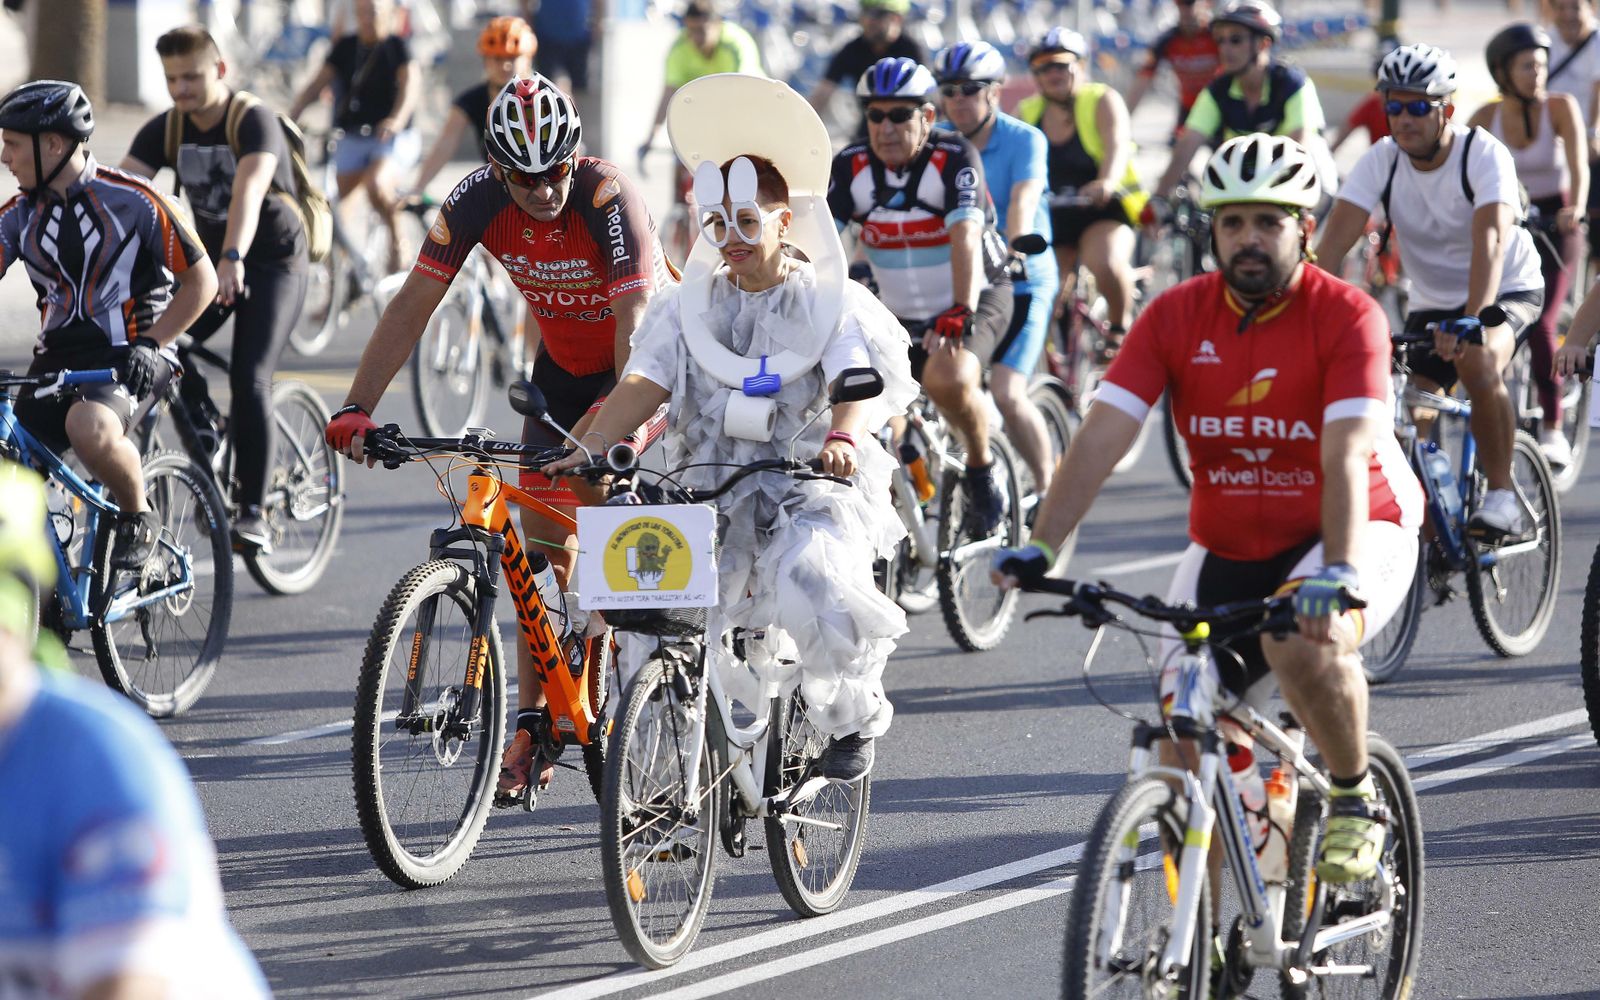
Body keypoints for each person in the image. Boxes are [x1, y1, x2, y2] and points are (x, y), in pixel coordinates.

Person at [995, 134, 1424, 885]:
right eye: (1233, 223)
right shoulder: (1175, 315)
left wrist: (1341, 572)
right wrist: (1041, 548)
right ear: (1213, 230)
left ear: (1304, 228)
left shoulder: (1348, 316)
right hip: (1230, 542)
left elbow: (1346, 455)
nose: (1249, 239)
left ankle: (1356, 796)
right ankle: (1209, 950)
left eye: (1268, 221)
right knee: (1184, 745)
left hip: (1357, 525)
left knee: (1301, 643)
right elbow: (1099, 439)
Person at [545, 75, 918, 779]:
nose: (733, 239)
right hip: (709, 490)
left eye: (749, 221)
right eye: (719, 225)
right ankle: (665, 772)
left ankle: (849, 720)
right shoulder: (685, 307)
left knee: (816, 586)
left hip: (809, 485)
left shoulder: (826, 303)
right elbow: (641, 385)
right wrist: (590, 447)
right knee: (649, 613)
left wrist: (842, 438)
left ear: (784, 221)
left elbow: (853, 381)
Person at [325, 75, 672, 805]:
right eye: (525, 177)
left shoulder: (607, 196)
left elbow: (636, 322)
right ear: (496, 167)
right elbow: (416, 299)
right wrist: (358, 406)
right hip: (560, 370)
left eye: (556, 171)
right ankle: (535, 717)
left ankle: (603, 645)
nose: (545, 190)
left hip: (640, 365)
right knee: (539, 553)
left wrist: (614, 433)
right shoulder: (476, 199)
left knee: (587, 487)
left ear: (573, 157)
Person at [0, 462, 270, 998]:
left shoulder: (101, 762)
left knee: (92, 427)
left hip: (117, 385)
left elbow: (128, 986)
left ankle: (138, 515)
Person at [1316, 44, 1546, 535]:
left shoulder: (1482, 154)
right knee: (1406, 412)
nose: (1404, 119)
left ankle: (1503, 493)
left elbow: (1489, 241)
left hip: (1505, 288)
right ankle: (1421, 516)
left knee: (1478, 360)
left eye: (1419, 106)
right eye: (1393, 106)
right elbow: (1331, 248)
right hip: (1431, 299)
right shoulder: (1382, 160)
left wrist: (1472, 319)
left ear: (1447, 110)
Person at [0, 81, 216, 569]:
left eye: (12, 144)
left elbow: (200, 281)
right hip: (55, 359)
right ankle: (47, 586)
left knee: (88, 424)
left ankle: (138, 513)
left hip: (132, 355)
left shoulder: (136, 200)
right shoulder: (17, 215)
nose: (3, 156)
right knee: (9, 457)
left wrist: (155, 343)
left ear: (53, 144)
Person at [122, 25, 311, 552]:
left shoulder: (251, 119)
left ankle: (253, 511)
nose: (180, 89)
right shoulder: (167, 128)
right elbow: (121, 188)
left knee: (251, 378)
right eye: (171, 79)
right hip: (212, 264)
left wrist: (232, 257)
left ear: (220, 70)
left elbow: (249, 190)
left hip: (273, 260)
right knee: (157, 334)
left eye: (191, 76)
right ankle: (205, 423)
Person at [829, 56, 1012, 536]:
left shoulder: (953, 158)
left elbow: (966, 237)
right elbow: (821, 246)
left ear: (927, 118)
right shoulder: (850, 166)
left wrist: (960, 307)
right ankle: (899, 495)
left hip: (974, 295)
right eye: (876, 115)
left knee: (947, 378)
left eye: (900, 115)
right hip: (895, 313)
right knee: (863, 406)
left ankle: (980, 469)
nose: (886, 127)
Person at [934, 40, 1059, 495]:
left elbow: (1023, 199)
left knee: (1007, 392)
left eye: (971, 88)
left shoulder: (1025, 139)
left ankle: (1049, 493)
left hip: (1022, 279)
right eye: (950, 90)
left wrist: (1013, 246)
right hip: (967, 284)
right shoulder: (938, 143)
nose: (959, 99)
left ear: (996, 92)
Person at [1472, 22, 1588, 467]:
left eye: (1541, 65)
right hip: (1512, 224)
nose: (1536, 74)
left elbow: (1578, 164)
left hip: (1558, 222)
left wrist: (1575, 206)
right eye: (1526, 66)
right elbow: (1459, 163)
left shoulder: (1561, 106)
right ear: (1503, 72)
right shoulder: (1486, 117)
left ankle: (1554, 424)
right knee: (1489, 315)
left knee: (1540, 322)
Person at [1015, 28, 1145, 358]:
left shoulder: (1102, 100)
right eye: (1043, 67)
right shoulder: (1027, 114)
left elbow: (1117, 149)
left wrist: (1106, 181)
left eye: (1061, 65)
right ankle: (1049, 372)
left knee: (1105, 262)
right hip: (1055, 217)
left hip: (1103, 210)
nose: (1053, 73)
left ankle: (1119, 327)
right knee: (1043, 292)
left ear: (1081, 66)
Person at [1152, 0, 1331, 202]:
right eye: (1220, 40)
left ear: (1264, 44)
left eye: (1235, 40)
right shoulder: (1217, 90)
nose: (1225, 49)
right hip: (1246, 180)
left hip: (1295, 178)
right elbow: (1188, 145)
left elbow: (1300, 147)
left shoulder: (1292, 84)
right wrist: (1159, 197)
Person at [288, 0, 419, 273]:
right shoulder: (346, 46)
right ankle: (344, 272)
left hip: (390, 138)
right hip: (353, 134)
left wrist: (395, 119)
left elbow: (410, 87)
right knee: (335, 206)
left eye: (374, 13)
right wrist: (294, 113)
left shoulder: (398, 46)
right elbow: (317, 84)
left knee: (377, 185)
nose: (368, 19)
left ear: (388, 15)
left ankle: (397, 241)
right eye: (363, 13)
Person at [409, 15, 536, 196]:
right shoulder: (472, 100)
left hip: (541, 189)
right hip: (500, 190)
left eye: (513, 57)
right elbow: (445, 143)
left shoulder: (545, 98)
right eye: (497, 58)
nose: (505, 65)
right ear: (485, 61)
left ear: (528, 59)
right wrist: (418, 188)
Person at [637, 0, 765, 165]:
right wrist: (651, 137)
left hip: (749, 108)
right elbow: (669, 94)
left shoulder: (736, 43)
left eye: (701, 31)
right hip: (709, 113)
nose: (696, 38)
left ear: (717, 24)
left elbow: (743, 92)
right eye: (691, 30)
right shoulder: (679, 48)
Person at [808, 0, 929, 137]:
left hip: (904, 125)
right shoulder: (853, 49)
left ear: (897, 18)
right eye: (864, 13)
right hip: (872, 122)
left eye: (876, 14)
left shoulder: (911, 49)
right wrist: (805, 123)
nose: (868, 20)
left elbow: (928, 96)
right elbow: (824, 92)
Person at [1546, 0, 1600, 274]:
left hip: (1591, 140)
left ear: (1591, 8)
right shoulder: (1545, 41)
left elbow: (1598, 92)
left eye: (1575, 7)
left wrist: (1592, 134)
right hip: (1556, 142)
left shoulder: (1597, 41)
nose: (1568, 15)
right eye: (1561, 7)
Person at [1125, 0, 1223, 139]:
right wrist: (1123, 119)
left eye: (1190, 3)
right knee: (1178, 150)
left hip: (1219, 106)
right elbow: (1143, 79)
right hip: (1188, 108)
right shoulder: (1167, 40)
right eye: (1180, 3)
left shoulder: (1218, 35)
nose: (1185, 9)